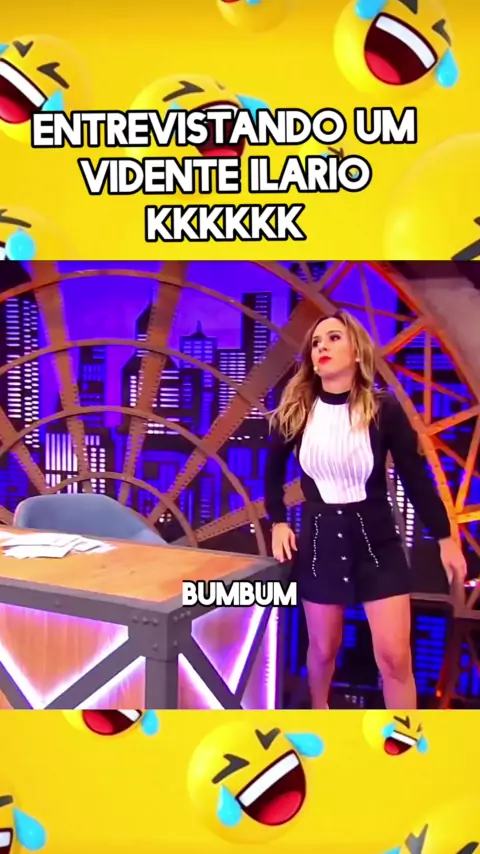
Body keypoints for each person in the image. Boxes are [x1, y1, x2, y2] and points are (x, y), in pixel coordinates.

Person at [264, 310, 467, 710]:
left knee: (394, 657)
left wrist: (446, 537)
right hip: (321, 543)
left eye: (334, 338)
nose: (322, 347)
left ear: (357, 352)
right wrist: (279, 522)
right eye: (316, 342)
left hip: (377, 544)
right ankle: (320, 718)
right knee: (323, 650)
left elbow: (416, 478)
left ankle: (404, 736)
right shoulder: (296, 412)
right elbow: (272, 475)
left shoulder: (383, 409)